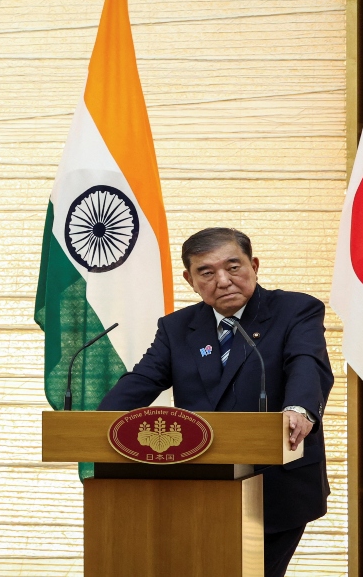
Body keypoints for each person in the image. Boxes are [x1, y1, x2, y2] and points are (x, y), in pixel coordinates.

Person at [97, 227, 333, 577]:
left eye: (233, 267)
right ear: (189, 279)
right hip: (200, 487)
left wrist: (299, 408)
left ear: (254, 265)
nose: (222, 281)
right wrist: (97, 421)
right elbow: (143, 379)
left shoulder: (294, 310)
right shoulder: (178, 327)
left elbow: (305, 363)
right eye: (206, 272)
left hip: (277, 485)